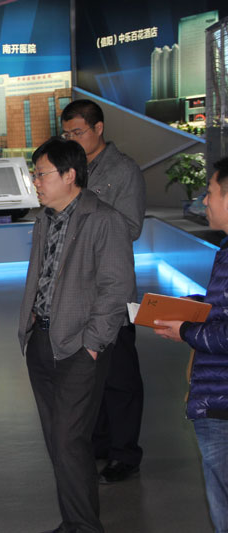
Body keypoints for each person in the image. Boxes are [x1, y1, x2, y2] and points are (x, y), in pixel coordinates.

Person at [18, 137, 135, 533]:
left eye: (41, 174)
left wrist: (93, 345)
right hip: (41, 341)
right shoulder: (45, 219)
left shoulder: (104, 219)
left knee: (69, 440)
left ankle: (83, 527)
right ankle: (75, 522)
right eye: (35, 174)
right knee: (59, 442)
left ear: (69, 175)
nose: (35, 182)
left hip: (78, 350)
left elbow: (116, 288)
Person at [61, 99, 147, 483]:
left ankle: (125, 453)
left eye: (78, 132)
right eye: (67, 133)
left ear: (98, 129)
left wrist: (85, 225)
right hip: (76, 287)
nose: (72, 139)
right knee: (87, 369)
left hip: (112, 285)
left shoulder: (123, 170)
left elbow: (130, 227)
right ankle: (100, 441)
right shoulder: (72, 168)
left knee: (120, 373)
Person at [154, 157, 228, 533]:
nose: (205, 201)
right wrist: (199, 306)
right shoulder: (225, 250)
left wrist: (185, 330)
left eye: (211, 192)